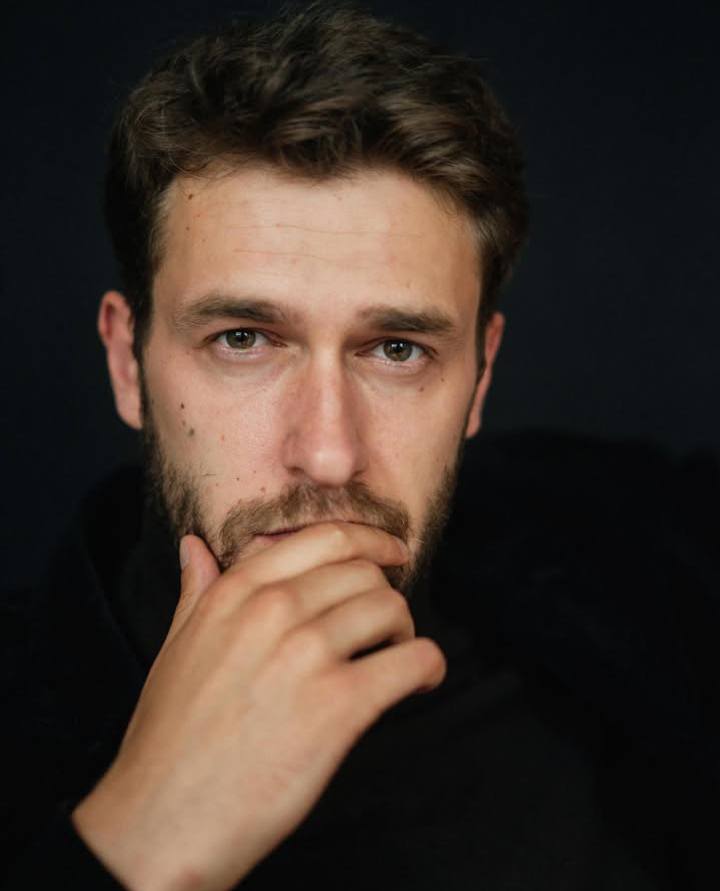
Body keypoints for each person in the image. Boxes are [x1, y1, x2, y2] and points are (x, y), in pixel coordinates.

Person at [2, 2, 719, 889]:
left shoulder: (642, 570)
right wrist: (134, 843)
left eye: (397, 350)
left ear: (481, 377)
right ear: (127, 363)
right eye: (243, 339)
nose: (330, 454)